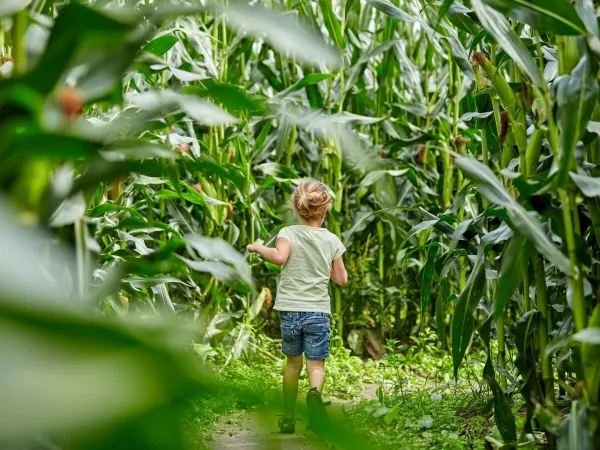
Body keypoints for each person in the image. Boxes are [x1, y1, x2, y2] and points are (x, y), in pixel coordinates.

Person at [248, 180, 348, 434]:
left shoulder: (288, 233)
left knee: (293, 365)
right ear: (325, 211)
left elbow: (280, 257)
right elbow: (341, 279)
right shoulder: (331, 240)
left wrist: (259, 248)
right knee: (316, 365)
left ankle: (289, 417)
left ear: (296, 209)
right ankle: (314, 397)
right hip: (318, 312)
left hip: (291, 311)